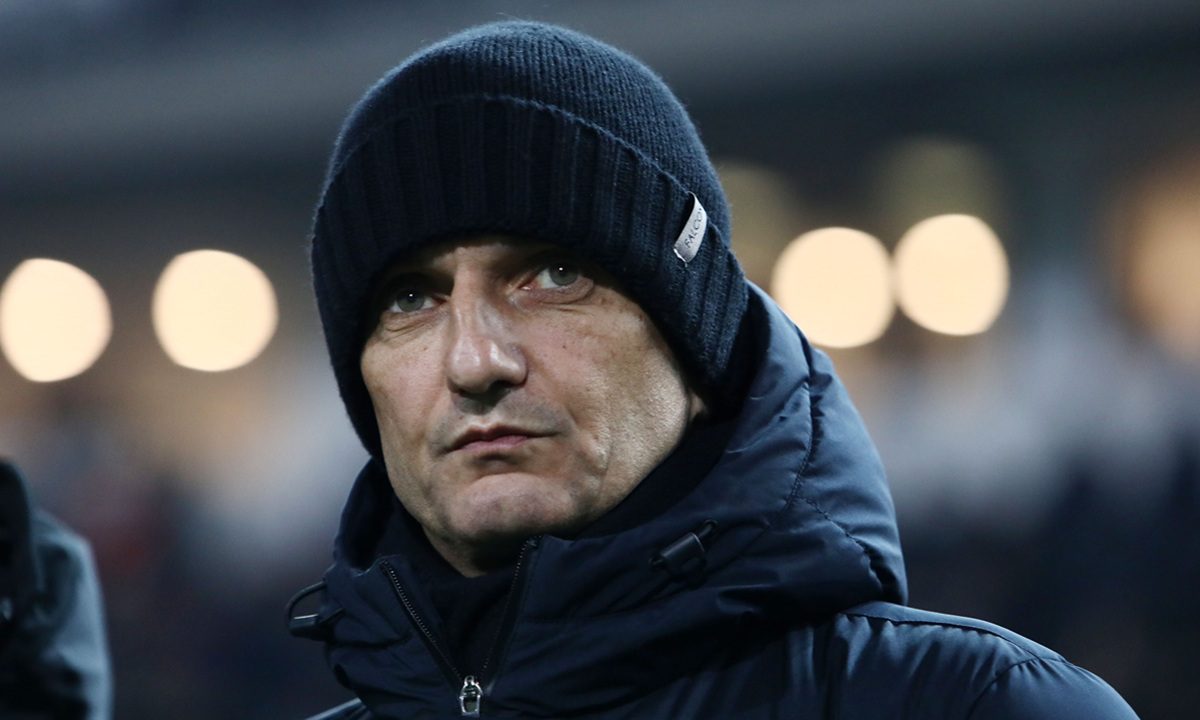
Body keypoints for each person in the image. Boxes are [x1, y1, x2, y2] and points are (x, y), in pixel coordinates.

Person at [289, 21, 1138, 719]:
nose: (476, 361)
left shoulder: (983, 707)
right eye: (410, 299)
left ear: (699, 347)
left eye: (554, 275)